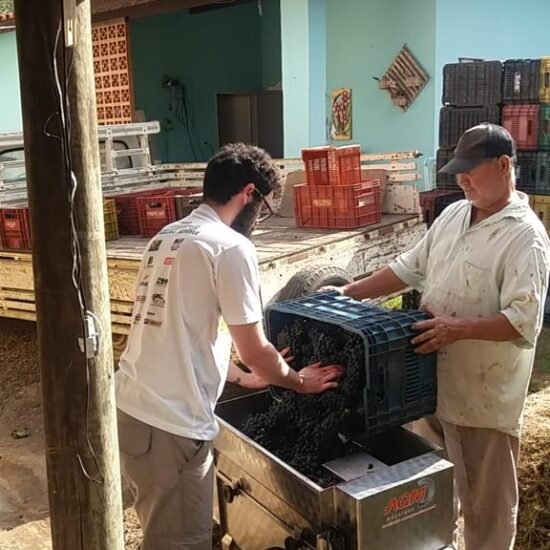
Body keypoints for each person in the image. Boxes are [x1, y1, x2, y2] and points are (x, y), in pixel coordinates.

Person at [324, 124, 550, 550]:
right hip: (431, 389)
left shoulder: (525, 237)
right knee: (431, 502)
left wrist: (457, 329)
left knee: (486, 515)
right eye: (458, 171)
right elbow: (408, 267)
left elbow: (523, 321)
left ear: (504, 165)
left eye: (471, 171)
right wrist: (347, 293)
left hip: (483, 404)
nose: (462, 179)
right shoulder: (454, 214)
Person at [116, 143, 344, 550]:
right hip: (171, 424)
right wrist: (299, 382)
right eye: (265, 209)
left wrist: (241, 376)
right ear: (249, 194)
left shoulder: (166, 236)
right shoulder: (230, 247)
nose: (260, 219)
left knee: (159, 530)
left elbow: (181, 330)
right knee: (182, 544)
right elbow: (255, 348)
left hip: (131, 412)